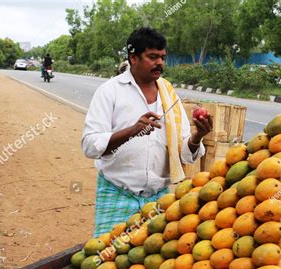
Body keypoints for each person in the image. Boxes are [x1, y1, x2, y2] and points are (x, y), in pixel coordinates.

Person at [81, 27, 212, 237]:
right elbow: (90, 145)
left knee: (149, 265)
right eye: (153, 57)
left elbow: (185, 152)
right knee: (106, 262)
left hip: (158, 200)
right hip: (116, 193)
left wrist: (198, 137)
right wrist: (132, 131)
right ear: (133, 58)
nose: (160, 63)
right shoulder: (109, 92)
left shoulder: (169, 96)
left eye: (163, 57)